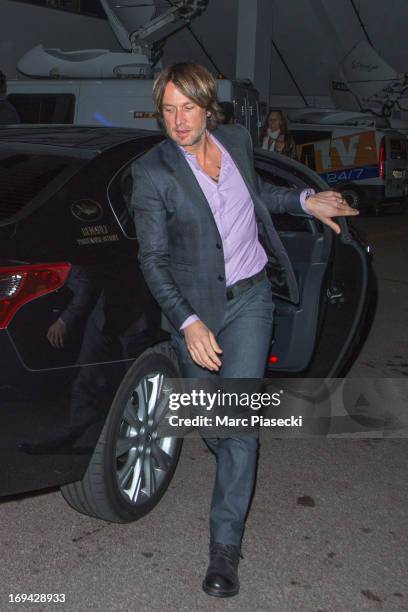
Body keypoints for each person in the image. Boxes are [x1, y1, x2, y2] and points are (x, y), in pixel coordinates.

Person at [129, 62, 358, 598]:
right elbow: (153, 260)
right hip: (197, 311)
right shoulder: (154, 172)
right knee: (212, 422)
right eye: (168, 110)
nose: (178, 121)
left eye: (188, 108)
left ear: (208, 107)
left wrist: (305, 199)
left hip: (252, 298)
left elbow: (257, 198)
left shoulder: (233, 139)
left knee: (238, 426)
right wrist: (187, 322)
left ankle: (225, 549)